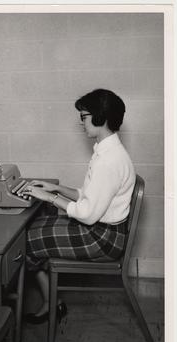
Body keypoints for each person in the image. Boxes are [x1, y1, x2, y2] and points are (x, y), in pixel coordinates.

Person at [22, 88, 136, 324]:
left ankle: (48, 303)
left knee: (25, 241)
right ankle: (51, 301)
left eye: (83, 117)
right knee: (36, 224)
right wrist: (57, 188)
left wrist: (48, 198)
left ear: (100, 118)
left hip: (102, 239)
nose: (81, 123)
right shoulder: (108, 151)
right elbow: (90, 197)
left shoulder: (109, 160)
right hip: (104, 231)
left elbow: (86, 214)